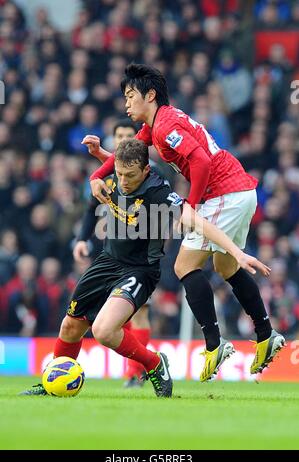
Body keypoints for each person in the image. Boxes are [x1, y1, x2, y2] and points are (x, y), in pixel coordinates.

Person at [20, 139, 270, 396]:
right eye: (119, 174)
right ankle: (52, 384)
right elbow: (109, 169)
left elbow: (196, 220)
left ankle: (154, 363)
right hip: (107, 261)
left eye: (130, 176)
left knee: (104, 330)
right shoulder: (115, 171)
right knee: (70, 327)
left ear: (145, 171)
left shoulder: (158, 192)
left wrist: (237, 253)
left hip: (139, 270)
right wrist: (97, 157)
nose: (124, 181)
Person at [85, 63, 285, 382]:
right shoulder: (157, 124)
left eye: (130, 95)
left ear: (149, 95)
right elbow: (128, 157)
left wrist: (190, 207)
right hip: (238, 191)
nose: (125, 103)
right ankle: (265, 334)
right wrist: (98, 169)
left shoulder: (164, 126)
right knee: (225, 267)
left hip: (224, 193)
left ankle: (214, 345)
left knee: (184, 266)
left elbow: (202, 161)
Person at [76, 119, 152, 388]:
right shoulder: (109, 174)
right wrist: (82, 239)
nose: (122, 140)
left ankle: (135, 373)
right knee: (117, 312)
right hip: (112, 251)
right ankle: (138, 368)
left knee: (139, 312)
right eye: (118, 136)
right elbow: (89, 209)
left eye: (128, 136)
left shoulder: (148, 172)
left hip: (143, 256)